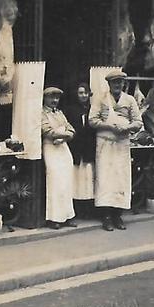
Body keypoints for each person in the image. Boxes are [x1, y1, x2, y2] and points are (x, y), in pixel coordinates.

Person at [89, 68, 143, 231]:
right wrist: (109, 126)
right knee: (105, 180)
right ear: (109, 84)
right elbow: (92, 120)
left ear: (124, 83)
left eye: (120, 82)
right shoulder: (100, 99)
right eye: (114, 82)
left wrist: (126, 128)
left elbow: (138, 122)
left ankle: (117, 215)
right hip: (105, 143)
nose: (117, 85)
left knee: (120, 179)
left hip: (122, 144)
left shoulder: (130, 100)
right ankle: (106, 216)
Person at [41, 86, 78, 230]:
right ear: (45, 98)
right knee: (55, 182)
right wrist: (65, 134)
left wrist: (64, 136)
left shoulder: (60, 113)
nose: (54, 100)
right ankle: (54, 218)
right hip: (51, 148)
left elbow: (72, 129)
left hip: (63, 149)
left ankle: (67, 216)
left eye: (56, 98)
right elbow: (47, 132)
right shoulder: (42, 113)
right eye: (51, 97)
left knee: (67, 182)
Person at [65, 82, 96, 219]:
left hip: (89, 149)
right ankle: (77, 209)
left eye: (85, 92)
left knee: (88, 179)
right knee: (77, 179)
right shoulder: (70, 110)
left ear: (89, 94)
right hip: (76, 148)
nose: (83, 95)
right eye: (80, 93)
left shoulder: (94, 109)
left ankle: (89, 208)